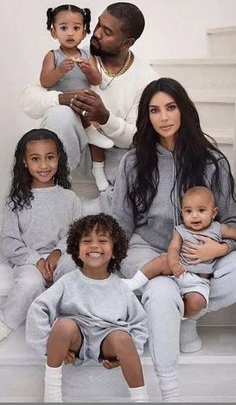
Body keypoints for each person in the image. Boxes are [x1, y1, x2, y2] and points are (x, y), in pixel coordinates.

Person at [111, 77, 236, 402]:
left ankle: (188, 316)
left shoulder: (212, 162)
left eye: (170, 107)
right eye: (154, 110)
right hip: (148, 251)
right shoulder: (133, 162)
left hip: (201, 256)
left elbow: (232, 222)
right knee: (163, 289)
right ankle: (169, 391)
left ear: (184, 110)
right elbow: (121, 224)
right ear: (146, 116)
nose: (163, 117)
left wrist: (221, 247)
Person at [20, 2, 157, 208]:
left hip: (112, 159)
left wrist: (105, 119)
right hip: (75, 151)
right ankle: (53, 191)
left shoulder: (146, 79)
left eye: (107, 32)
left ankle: (104, 200)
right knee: (60, 114)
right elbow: (28, 99)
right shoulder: (76, 54)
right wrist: (60, 98)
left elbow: (137, 137)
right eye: (98, 25)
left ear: (127, 42)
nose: (97, 34)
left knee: (138, 161)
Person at [26, 213, 149, 403]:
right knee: (63, 326)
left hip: (107, 341)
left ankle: (141, 399)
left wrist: (131, 352)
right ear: (77, 249)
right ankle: (52, 395)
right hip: (76, 339)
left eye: (102, 240)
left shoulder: (122, 287)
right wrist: (48, 348)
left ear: (115, 250)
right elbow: (38, 308)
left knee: (123, 338)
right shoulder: (68, 281)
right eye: (87, 241)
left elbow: (139, 323)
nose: (94, 246)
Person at [0, 128, 82, 341]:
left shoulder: (69, 198)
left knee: (73, 273)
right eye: (36, 159)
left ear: (59, 159)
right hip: (28, 262)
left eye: (50, 158)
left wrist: (57, 252)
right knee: (30, 284)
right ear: (25, 162)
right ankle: (5, 323)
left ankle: (68, 326)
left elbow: (76, 234)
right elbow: (9, 242)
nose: (44, 166)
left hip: (62, 257)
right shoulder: (15, 201)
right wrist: (37, 261)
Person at [123, 186, 236, 316]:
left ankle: (181, 318)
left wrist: (220, 248)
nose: (194, 216)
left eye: (201, 210)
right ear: (182, 214)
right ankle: (135, 281)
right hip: (179, 268)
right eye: (188, 211)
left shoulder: (219, 228)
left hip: (198, 278)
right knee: (162, 260)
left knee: (197, 302)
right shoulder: (181, 230)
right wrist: (174, 264)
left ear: (214, 213)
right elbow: (174, 248)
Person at [41, 4, 114, 192]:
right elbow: (45, 82)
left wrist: (89, 70)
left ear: (84, 32)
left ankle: (98, 170)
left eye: (76, 28)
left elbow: (96, 79)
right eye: (64, 28)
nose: (70, 33)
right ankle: (88, 133)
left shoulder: (88, 55)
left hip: (85, 107)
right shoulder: (53, 56)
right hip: (65, 106)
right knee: (91, 130)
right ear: (53, 32)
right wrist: (59, 71)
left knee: (97, 136)